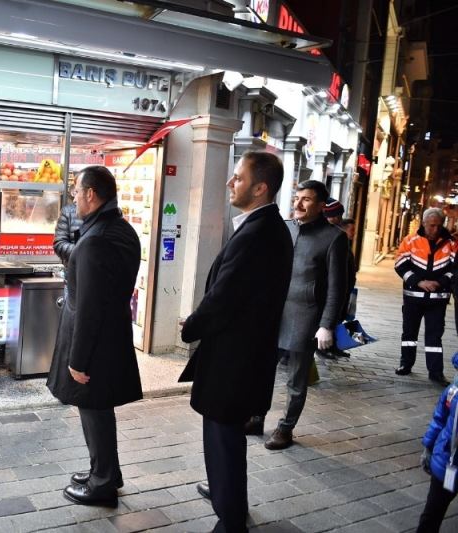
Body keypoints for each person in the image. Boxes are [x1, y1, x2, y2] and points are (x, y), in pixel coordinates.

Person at [179, 151, 293, 532]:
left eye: (239, 178)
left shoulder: (260, 233)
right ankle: (226, 494)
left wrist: (190, 325)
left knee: (222, 436)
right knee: (225, 435)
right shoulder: (261, 226)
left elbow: (225, 296)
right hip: (241, 355)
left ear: (260, 188)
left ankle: (230, 519)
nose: (231, 183)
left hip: (234, 359)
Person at [46, 165, 141, 509]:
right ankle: (106, 472)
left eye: (75, 190)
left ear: (91, 194)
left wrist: (77, 359)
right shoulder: (120, 229)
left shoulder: (94, 240)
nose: (73, 196)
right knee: (99, 408)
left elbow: (87, 307)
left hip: (94, 342)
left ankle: (102, 485)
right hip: (112, 333)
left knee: (93, 409)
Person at [258, 180, 348, 451]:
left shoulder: (334, 238)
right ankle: (255, 416)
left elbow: (337, 287)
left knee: (296, 380)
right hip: (275, 312)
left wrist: (326, 325)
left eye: (306, 199)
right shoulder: (285, 228)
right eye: (297, 198)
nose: (298, 204)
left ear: (321, 205)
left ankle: (285, 429)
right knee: (260, 370)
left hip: (305, 317)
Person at [395, 208, 455, 386]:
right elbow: (400, 265)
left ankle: (435, 372)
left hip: (438, 299)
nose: (434, 229)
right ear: (423, 223)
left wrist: (440, 282)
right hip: (413, 296)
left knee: (434, 337)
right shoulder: (410, 241)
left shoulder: (451, 243)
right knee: (409, 334)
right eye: (431, 225)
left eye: (438, 225)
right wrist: (419, 282)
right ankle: (405, 364)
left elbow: (455, 269)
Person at [418, 352, 458, 531]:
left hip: (446, 460)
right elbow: (439, 418)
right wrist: (428, 446)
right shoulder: (453, 391)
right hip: (446, 461)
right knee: (431, 514)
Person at [317, 201, 357, 360]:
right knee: (330, 317)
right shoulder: (332, 237)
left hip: (345, 287)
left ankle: (334, 346)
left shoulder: (340, 238)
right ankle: (322, 348)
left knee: (340, 317)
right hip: (331, 288)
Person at [53, 200, 83, 266]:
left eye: (77, 192)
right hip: (74, 267)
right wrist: (83, 252)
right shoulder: (68, 211)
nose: (75, 199)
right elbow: (59, 244)